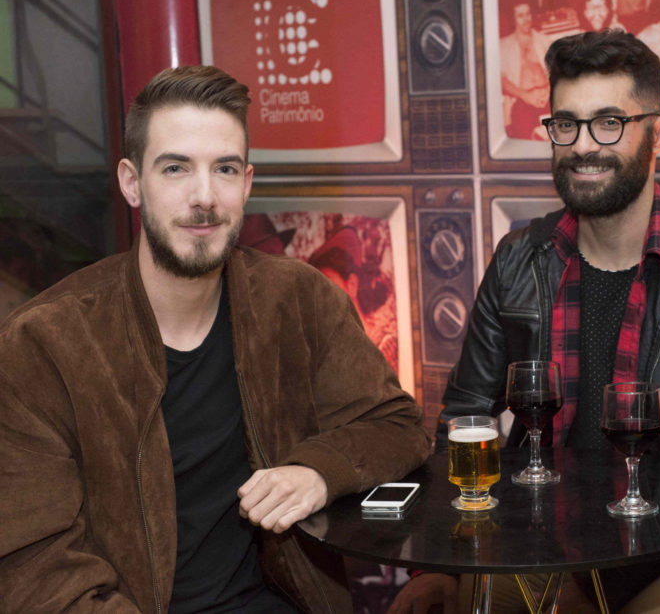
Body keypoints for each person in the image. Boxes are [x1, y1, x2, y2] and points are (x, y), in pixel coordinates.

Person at [0, 65, 432, 612]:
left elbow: (397, 426)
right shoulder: (42, 343)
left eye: (224, 169)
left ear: (247, 183)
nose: (204, 196)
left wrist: (320, 470)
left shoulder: (298, 299)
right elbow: (34, 568)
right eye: (176, 168)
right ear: (132, 183)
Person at [392, 30, 660, 612]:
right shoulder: (519, 259)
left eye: (609, 123)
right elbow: (465, 418)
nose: (583, 146)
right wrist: (441, 561)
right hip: (532, 546)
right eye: (565, 125)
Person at [499, 1, 551, 140]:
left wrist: (550, 90)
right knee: (526, 134)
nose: (526, 19)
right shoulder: (503, 46)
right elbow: (501, 80)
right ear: (513, 18)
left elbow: (559, 70)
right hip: (523, 101)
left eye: (528, 14)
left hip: (548, 96)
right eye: (520, 15)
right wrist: (526, 96)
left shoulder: (544, 40)